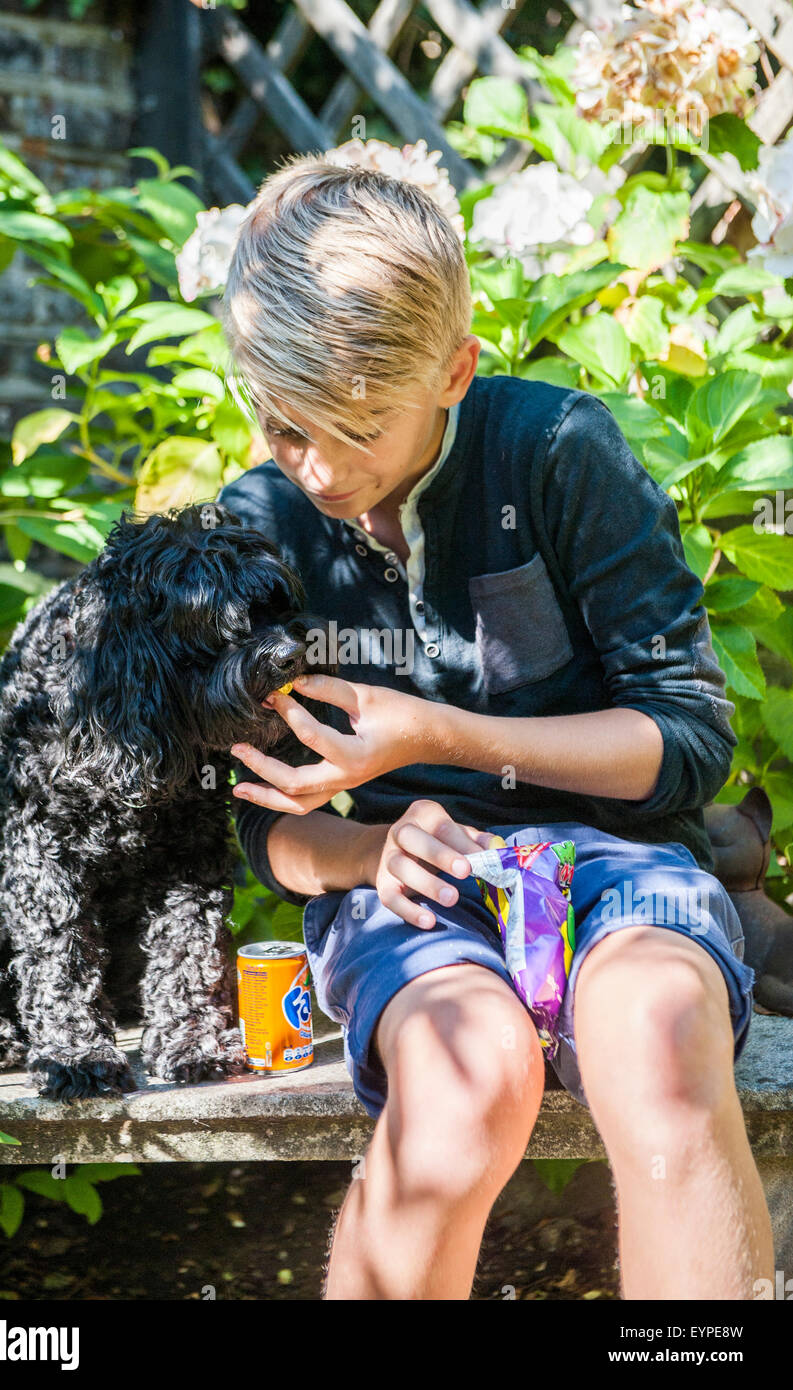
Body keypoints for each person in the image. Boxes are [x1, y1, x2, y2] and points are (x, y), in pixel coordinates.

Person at [216, 152, 774, 1300]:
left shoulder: (558, 450)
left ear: (456, 370)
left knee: (660, 1046)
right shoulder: (259, 524)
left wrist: (442, 734)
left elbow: (686, 740)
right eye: (282, 427)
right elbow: (260, 827)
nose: (317, 466)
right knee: (460, 1087)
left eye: (357, 426)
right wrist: (374, 847)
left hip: (624, 867)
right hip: (404, 892)